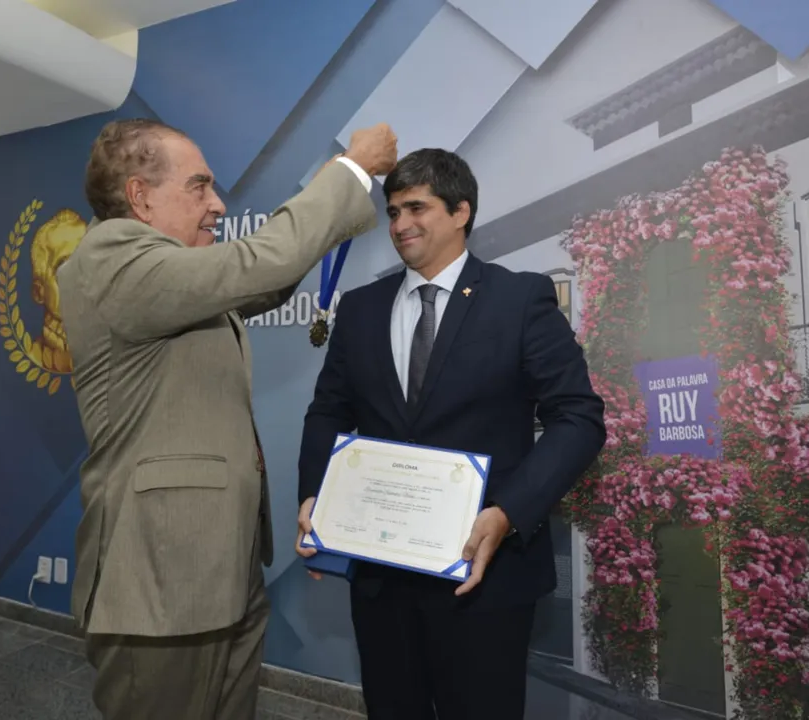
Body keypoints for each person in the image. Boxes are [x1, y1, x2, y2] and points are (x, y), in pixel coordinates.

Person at [56, 117, 397, 720]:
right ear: (139, 196)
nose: (217, 205)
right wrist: (350, 170)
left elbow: (263, 281)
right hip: (160, 578)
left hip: (222, 564)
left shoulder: (175, 280)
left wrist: (320, 206)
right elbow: (257, 265)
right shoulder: (112, 254)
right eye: (199, 187)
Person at [295, 148, 606, 720]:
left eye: (416, 207)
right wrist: (317, 497)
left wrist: (507, 513)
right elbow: (328, 413)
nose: (400, 225)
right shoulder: (361, 310)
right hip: (381, 579)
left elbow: (578, 418)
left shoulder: (520, 300)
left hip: (484, 576)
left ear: (461, 212)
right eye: (391, 212)